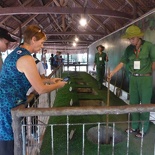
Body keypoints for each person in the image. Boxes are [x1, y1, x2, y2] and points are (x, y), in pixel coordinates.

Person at [0, 25, 67, 155]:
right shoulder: (26, 58)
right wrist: (59, 86)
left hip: (9, 103)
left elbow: (30, 78)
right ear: (33, 39)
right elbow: (40, 89)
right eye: (41, 43)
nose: (42, 46)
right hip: (7, 106)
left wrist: (50, 80)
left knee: (13, 142)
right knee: (8, 145)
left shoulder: (18, 53)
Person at [108, 25, 155, 138]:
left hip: (145, 79)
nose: (131, 40)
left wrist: (148, 73)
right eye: (129, 39)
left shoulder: (149, 46)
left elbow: (154, 61)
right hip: (133, 79)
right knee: (133, 103)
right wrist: (112, 72)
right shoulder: (129, 49)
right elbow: (122, 62)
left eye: (132, 38)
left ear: (139, 37)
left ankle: (143, 129)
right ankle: (134, 126)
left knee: (145, 105)